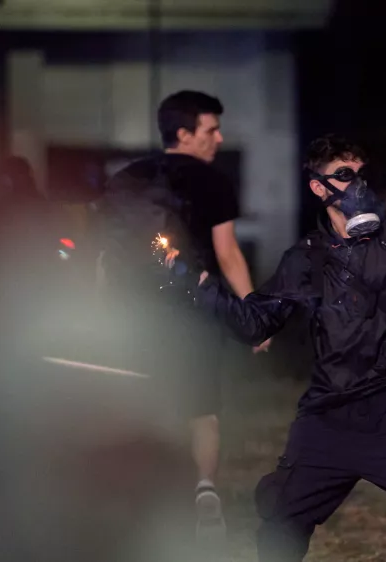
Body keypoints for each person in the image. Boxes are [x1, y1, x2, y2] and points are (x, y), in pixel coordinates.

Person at [193, 135, 386, 561]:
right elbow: (254, 323)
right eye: (343, 175)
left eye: (361, 174)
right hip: (327, 416)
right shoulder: (306, 258)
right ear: (319, 188)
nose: (357, 185)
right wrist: (200, 290)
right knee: (280, 521)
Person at [96, 90, 265, 541]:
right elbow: (228, 255)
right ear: (185, 132)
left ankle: (139, 502)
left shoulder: (123, 180)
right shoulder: (212, 181)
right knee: (201, 410)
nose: (218, 138)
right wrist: (254, 316)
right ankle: (203, 492)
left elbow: (106, 257)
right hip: (195, 312)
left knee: (140, 406)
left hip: (135, 316)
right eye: (211, 130)